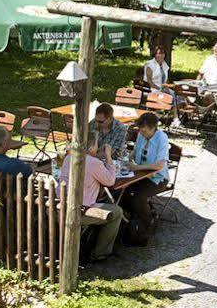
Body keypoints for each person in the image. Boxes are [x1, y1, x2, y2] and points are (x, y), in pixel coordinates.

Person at [60, 141, 125, 261]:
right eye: (95, 144)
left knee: (102, 199)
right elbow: (110, 181)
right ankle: (100, 253)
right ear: (90, 147)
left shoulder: (68, 157)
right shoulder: (94, 162)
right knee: (117, 211)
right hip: (79, 211)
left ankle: (90, 239)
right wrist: (108, 156)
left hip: (60, 206)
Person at [120, 112, 171, 242]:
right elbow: (135, 152)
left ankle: (148, 222)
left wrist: (136, 168)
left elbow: (159, 165)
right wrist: (125, 160)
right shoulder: (141, 135)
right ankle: (133, 219)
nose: (142, 133)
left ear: (153, 128)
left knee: (138, 197)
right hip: (141, 175)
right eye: (140, 130)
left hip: (158, 178)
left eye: (144, 130)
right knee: (121, 191)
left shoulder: (162, 138)